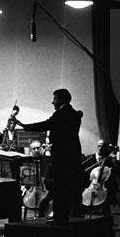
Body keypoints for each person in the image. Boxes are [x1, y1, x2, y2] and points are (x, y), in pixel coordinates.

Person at [15, 89, 83, 224]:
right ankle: (67, 216)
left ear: (62, 99)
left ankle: (59, 218)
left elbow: (45, 125)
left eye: (55, 99)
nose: (53, 102)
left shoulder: (61, 114)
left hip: (62, 156)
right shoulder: (74, 114)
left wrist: (24, 126)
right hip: (72, 155)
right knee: (69, 187)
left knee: (59, 187)